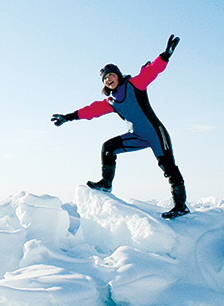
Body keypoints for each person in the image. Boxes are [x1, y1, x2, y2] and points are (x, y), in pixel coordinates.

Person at [51, 35, 189, 219]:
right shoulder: (111, 102)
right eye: (105, 78)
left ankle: (181, 206)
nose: (108, 79)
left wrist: (165, 55)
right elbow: (91, 110)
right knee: (108, 148)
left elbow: (151, 71)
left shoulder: (134, 85)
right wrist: (67, 117)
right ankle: (106, 183)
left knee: (168, 168)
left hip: (156, 134)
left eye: (111, 75)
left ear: (118, 75)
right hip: (137, 136)